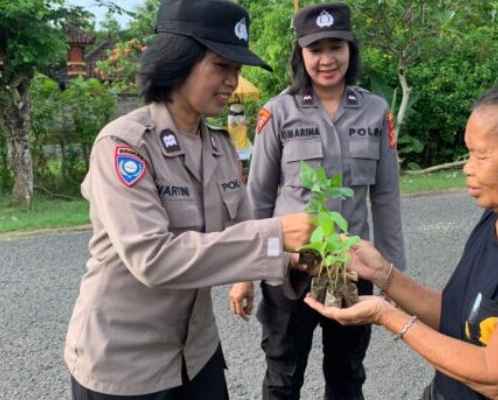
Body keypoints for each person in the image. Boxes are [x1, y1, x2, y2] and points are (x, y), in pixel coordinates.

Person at [305, 79, 498, 400]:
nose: (467, 168)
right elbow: (463, 318)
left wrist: (387, 315)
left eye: (480, 156)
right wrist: (382, 274)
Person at [63, 1, 315, 398]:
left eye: (237, 69)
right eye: (221, 66)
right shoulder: (124, 146)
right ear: (179, 59)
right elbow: (154, 258)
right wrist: (277, 233)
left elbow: (241, 233)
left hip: (196, 355)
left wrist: (304, 260)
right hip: (124, 363)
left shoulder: (220, 148)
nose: (233, 80)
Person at [228, 3, 406, 399]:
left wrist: (394, 276)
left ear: (350, 49)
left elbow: (386, 198)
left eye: (336, 47)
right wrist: (244, 272)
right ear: (300, 54)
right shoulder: (277, 112)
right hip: (289, 269)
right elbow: (257, 198)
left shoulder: (376, 112)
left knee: (347, 375)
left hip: (353, 267)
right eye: (316, 49)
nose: (327, 60)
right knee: (283, 376)